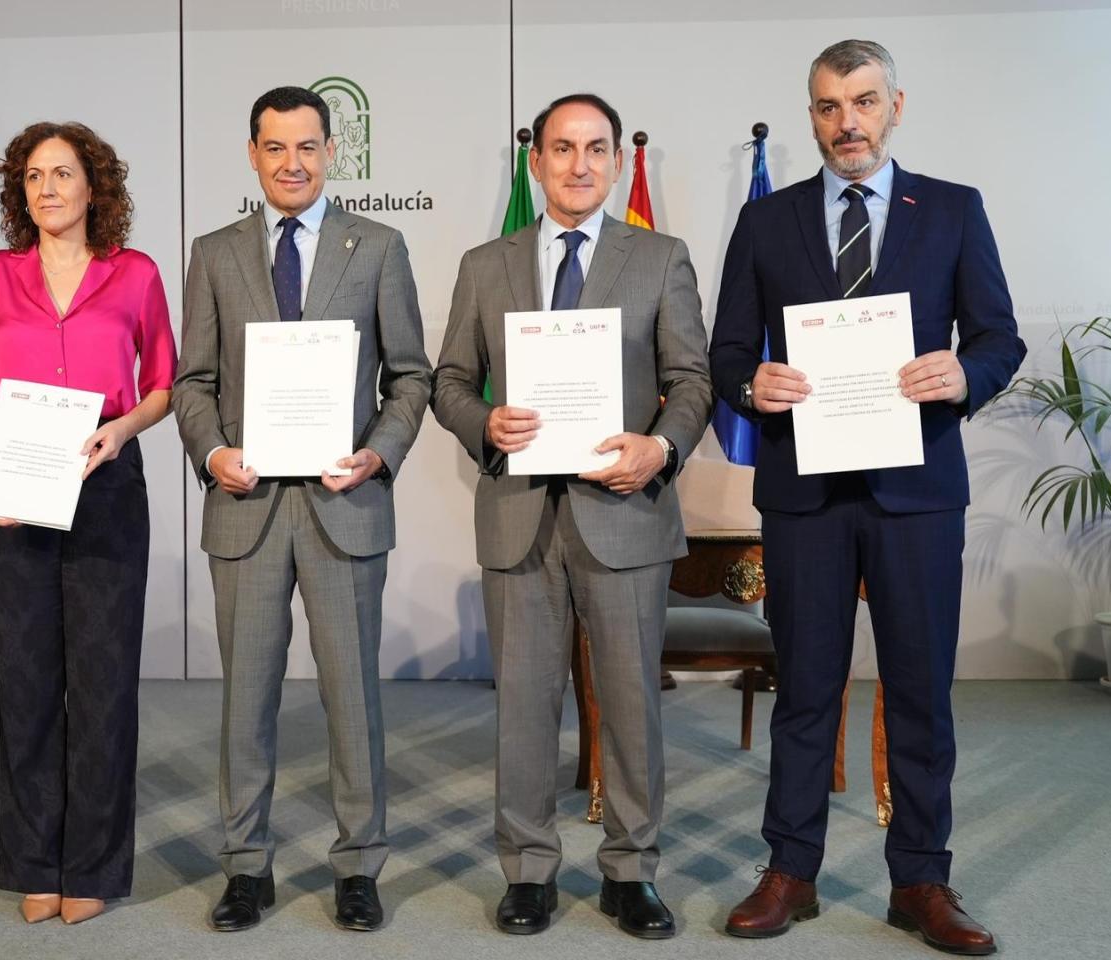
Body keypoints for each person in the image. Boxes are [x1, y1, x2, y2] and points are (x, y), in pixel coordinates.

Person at [708, 40, 1025, 956]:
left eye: (862, 101)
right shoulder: (767, 222)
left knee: (920, 692)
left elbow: (999, 336)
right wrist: (749, 385)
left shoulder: (955, 211)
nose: (845, 122)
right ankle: (791, 871)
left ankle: (921, 879)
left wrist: (963, 373)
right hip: (804, 494)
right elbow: (730, 351)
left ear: (895, 106)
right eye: (826, 106)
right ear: (811, 116)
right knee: (806, 691)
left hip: (918, 491)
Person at [432, 93, 712, 939]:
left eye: (596, 148)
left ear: (619, 160)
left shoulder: (661, 258)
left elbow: (693, 381)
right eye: (562, 148)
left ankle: (631, 871)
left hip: (623, 512)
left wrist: (658, 448)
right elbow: (447, 380)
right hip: (520, 513)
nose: (579, 164)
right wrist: (485, 423)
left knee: (632, 703)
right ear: (537, 161)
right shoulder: (487, 263)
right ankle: (527, 873)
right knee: (522, 704)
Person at [171, 85, 431, 933]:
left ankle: (358, 865)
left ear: (332, 153)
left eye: (308, 147)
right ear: (253, 154)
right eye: (275, 148)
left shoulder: (379, 246)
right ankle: (247, 866)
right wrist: (212, 453)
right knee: (245, 699)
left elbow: (412, 375)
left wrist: (379, 454)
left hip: (342, 502)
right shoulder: (215, 252)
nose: (292, 163)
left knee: (352, 697)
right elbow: (193, 381)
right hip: (245, 508)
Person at [0, 121, 176, 925]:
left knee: (104, 685)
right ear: (21, 193)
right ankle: (36, 862)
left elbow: (162, 384)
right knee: (29, 682)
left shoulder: (135, 274)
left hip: (108, 487)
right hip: (17, 492)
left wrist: (123, 429)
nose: (47, 188)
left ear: (94, 188)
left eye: (63, 174)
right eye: (33, 177)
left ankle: (94, 866)